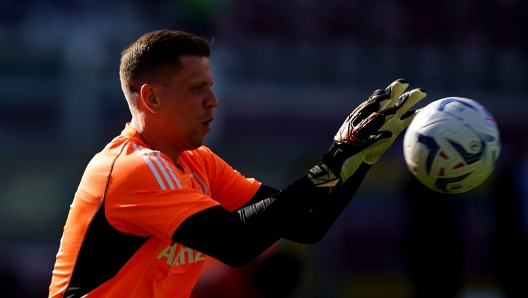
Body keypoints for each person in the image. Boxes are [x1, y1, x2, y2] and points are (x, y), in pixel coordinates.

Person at [48, 29, 426, 298]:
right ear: (151, 99)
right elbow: (234, 243)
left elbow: (307, 224)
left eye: (211, 87)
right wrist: (332, 163)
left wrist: (359, 159)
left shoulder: (199, 163)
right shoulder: (134, 167)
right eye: (197, 89)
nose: (213, 101)